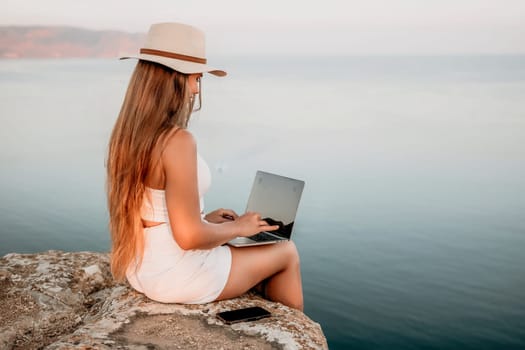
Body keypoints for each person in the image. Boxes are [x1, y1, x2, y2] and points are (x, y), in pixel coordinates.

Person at [106, 22, 303, 311]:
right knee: (286, 251)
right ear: (172, 80)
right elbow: (189, 238)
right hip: (177, 275)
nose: (196, 90)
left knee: (250, 254)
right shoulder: (178, 141)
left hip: (142, 269)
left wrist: (206, 219)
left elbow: (155, 211)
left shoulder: (130, 133)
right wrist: (238, 227)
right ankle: (294, 336)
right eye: (195, 79)